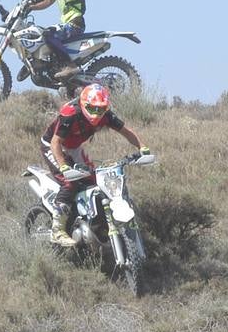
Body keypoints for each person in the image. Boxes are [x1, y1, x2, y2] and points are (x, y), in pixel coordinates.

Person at [40, 83, 148, 247]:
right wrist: (63, 166)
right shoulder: (70, 113)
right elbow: (55, 142)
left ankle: (93, 221)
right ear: (84, 103)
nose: (96, 113)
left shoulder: (106, 115)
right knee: (69, 182)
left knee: (95, 181)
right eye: (92, 108)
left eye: (100, 109)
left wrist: (142, 147)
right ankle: (57, 230)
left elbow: (126, 131)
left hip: (73, 147)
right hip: (53, 145)